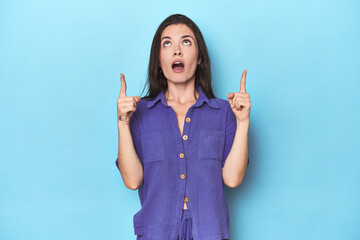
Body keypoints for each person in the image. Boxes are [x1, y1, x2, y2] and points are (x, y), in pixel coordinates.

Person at [115, 14, 250, 240]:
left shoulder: (225, 112)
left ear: (199, 58)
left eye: (186, 42)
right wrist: (122, 122)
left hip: (209, 233)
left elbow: (232, 179)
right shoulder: (139, 113)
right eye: (167, 43)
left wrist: (243, 121)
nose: (176, 50)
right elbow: (132, 180)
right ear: (158, 60)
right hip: (155, 232)